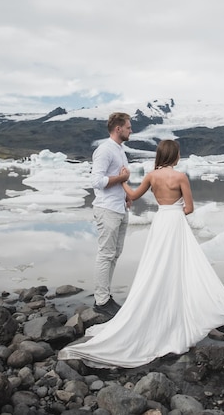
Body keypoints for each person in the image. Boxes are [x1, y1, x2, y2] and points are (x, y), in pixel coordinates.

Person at [59, 139, 224, 368]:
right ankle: (177, 308)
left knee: (156, 265)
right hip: (175, 221)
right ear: (175, 156)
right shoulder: (180, 177)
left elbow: (134, 194)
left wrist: (123, 181)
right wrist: (176, 208)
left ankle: (154, 307)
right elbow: (189, 208)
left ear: (160, 155)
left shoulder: (151, 176)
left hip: (160, 221)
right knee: (178, 264)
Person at [91, 112, 132, 319]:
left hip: (119, 207)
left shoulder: (120, 150)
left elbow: (118, 179)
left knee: (115, 254)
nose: (130, 130)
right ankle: (101, 301)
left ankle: (105, 296)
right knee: (106, 254)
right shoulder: (105, 150)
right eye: (128, 127)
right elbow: (97, 181)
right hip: (107, 209)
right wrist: (122, 178)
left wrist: (126, 195)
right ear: (118, 129)